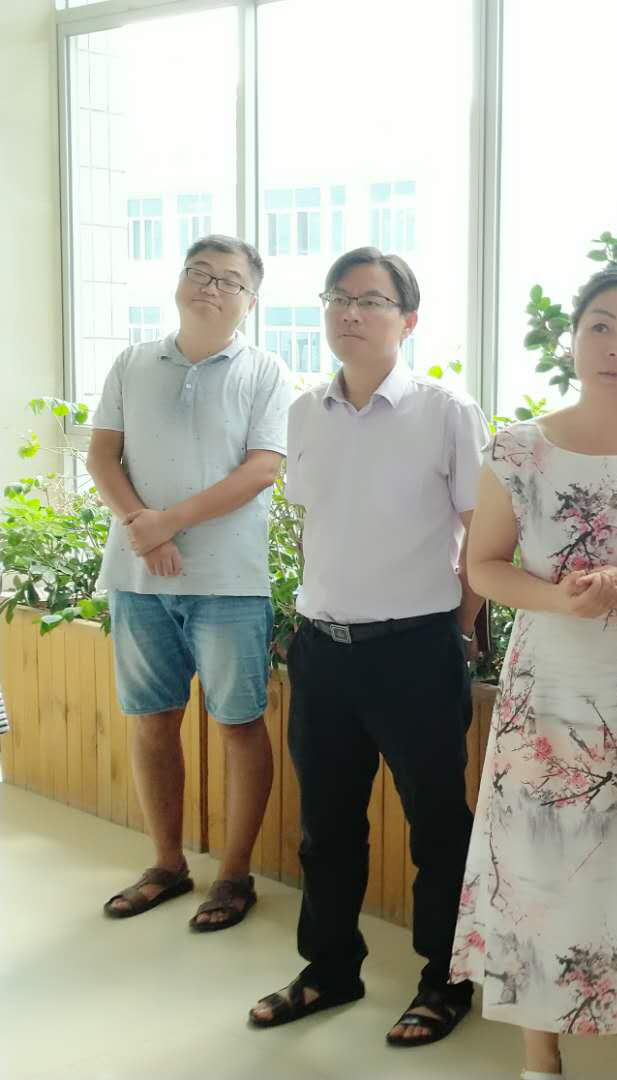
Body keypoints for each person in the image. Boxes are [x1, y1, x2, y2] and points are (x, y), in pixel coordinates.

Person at [450, 268, 617, 1080]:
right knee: (538, 869)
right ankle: (542, 1059)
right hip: (549, 697)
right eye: (602, 326)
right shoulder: (518, 450)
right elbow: (483, 565)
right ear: (572, 340)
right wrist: (559, 599)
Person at [248, 247, 488, 1049]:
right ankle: (329, 968)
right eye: (338, 298)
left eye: (371, 301)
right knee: (324, 825)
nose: (349, 312)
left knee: (436, 824)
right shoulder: (304, 412)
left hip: (416, 649)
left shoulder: (446, 411)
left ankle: (444, 980)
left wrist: (457, 628)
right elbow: (317, 521)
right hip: (322, 649)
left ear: (407, 321)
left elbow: (483, 534)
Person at [89, 235, 292, 933]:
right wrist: (141, 528)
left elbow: (263, 468)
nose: (210, 286)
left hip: (230, 582)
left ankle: (233, 876)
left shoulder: (265, 370)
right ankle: (167, 864)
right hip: (139, 577)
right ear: (178, 282)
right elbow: (102, 456)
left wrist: (166, 523)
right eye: (198, 272)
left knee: (238, 723)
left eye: (228, 280)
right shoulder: (132, 361)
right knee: (152, 720)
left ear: (250, 302)